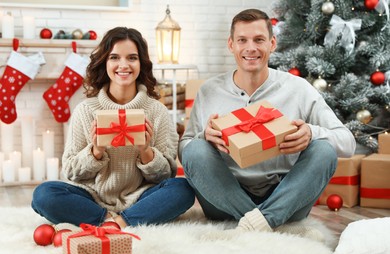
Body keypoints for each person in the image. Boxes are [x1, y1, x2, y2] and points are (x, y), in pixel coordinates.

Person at [179, 9, 356, 237]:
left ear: (272, 44)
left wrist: (311, 132)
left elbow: (348, 143)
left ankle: (258, 223)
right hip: (224, 198)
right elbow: (185, 152)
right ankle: (268, 224)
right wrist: (205, 136)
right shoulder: (209, 91)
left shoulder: (298, 88)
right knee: (196, 149)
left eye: (259, 40)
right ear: (231, 45)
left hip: (285, 196)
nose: (250, 48)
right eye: (242, 40)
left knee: (324, 149)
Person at [32, 27, 195, 229]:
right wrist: (96, 151)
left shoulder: (157, 111)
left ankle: (120, 221)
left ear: (141, 63)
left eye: (132, 58)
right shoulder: (85, 110)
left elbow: (166, 175)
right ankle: (114, 220)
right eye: (115, 57)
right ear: (105, 63)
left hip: (141, 197)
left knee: (183, 189)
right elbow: (72, 173)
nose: (123, 65)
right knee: (44, 194)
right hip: (92, 198)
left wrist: (146, 152)